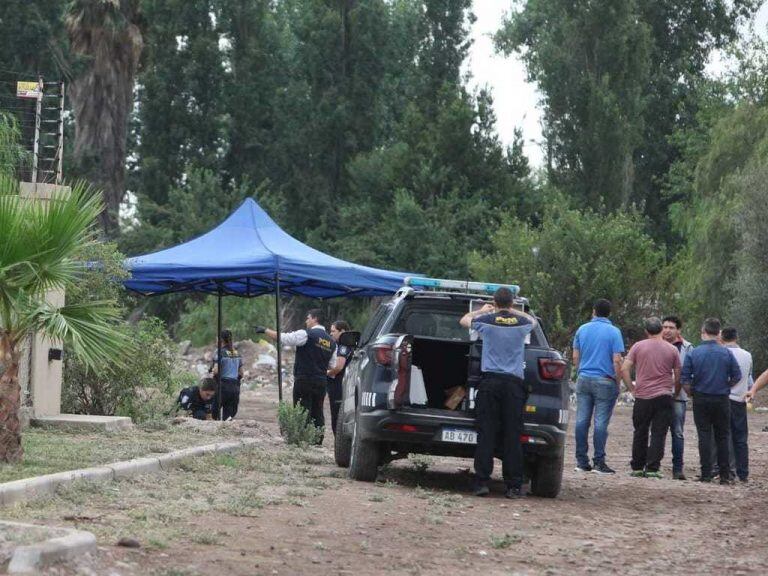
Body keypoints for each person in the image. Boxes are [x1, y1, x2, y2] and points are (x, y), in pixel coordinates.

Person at [459, 287, 537, 499]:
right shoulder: (522, 324)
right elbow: (533, 321)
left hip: (490, 383)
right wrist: (516, 311)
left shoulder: (487, 322)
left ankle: (482, 482)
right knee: (513, 435)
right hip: (513, 385)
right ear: (512, 303)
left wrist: (482, 311)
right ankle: (513, 486)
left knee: (487, 433)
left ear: (494, 301)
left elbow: (464, 320)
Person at [256, 309, 337, 444]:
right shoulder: (331, 342)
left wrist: (265, 330)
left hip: (304, 379)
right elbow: (332, 365)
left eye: (308, 318)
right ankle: (317, 441)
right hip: (321, 381)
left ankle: (302, 440)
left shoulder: (306, 334)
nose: (306, 321)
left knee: (302, 409)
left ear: (315, 319)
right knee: (318, 411)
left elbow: (284, 338)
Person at [680, 318, 742, 484]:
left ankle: (706, 473)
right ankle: (724, 475)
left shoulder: (694, 352)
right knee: (723, 436)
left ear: (703, 331)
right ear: (718, 333)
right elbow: (737, 375)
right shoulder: (726, 353)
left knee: (704, 435)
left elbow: (684, 378)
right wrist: (726, 386)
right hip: (722, 398)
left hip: (701, 397)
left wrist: (691, 392)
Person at [621, 317, 681, 478]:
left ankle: (638, 466)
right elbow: (678, 374)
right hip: (664, 395)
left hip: (642, 396)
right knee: (659, 432)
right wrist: (674, 391)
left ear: (646, 331)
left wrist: (631, 388)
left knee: (640, 431)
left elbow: (625, 369)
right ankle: (653, 467)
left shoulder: (638, 347)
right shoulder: (672, 350)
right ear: (662, 330)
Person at [572, 299, 625, 474]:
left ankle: (581, 460)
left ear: (594, 311)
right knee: (600, 422)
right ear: (609, 313)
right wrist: (617, 382)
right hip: (605, 379)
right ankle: (599, 461)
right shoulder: (614, 332)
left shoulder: (582, 329)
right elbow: (617, 359)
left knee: (581, 420)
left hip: (584, 378)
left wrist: (580, 372)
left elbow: (575, 356)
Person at [713, 327, 752, 483]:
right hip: (740, 399)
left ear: (721, 337)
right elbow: (749, 377)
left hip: (723, 398)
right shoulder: (747, 355)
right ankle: (743, 472)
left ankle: (723, 468)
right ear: (737, 337)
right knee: (740, 437)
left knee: (722, 436)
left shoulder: (721, 353)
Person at [661, 315, 694, 480]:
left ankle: (678, 468)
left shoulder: (687, 348)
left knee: (678, 432)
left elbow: (689, 371)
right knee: (657, 431)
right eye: (665, 327)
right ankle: (653, 465)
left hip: (678, 397)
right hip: (658, 395)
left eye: (671, 327)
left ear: (678, 330)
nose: (667, 330)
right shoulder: (655, 344)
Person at [327, 320, 353, 436]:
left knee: (337, 415)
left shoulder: (344, 346)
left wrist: (327, 373)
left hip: (339, 384)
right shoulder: (347, 344)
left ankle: (339, 442)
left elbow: (339, 367)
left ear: (342, 331)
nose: (331, 334)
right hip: (344, 384)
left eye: (333, 331)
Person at [211, 329, 243, 421]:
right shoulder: (237, 353)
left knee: (214, 413)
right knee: (228, 418)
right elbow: (241, 373)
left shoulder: (219, 352)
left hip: (223, 386)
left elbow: (216, 371)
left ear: (220, 339)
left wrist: (212, 371)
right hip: (235, 387)